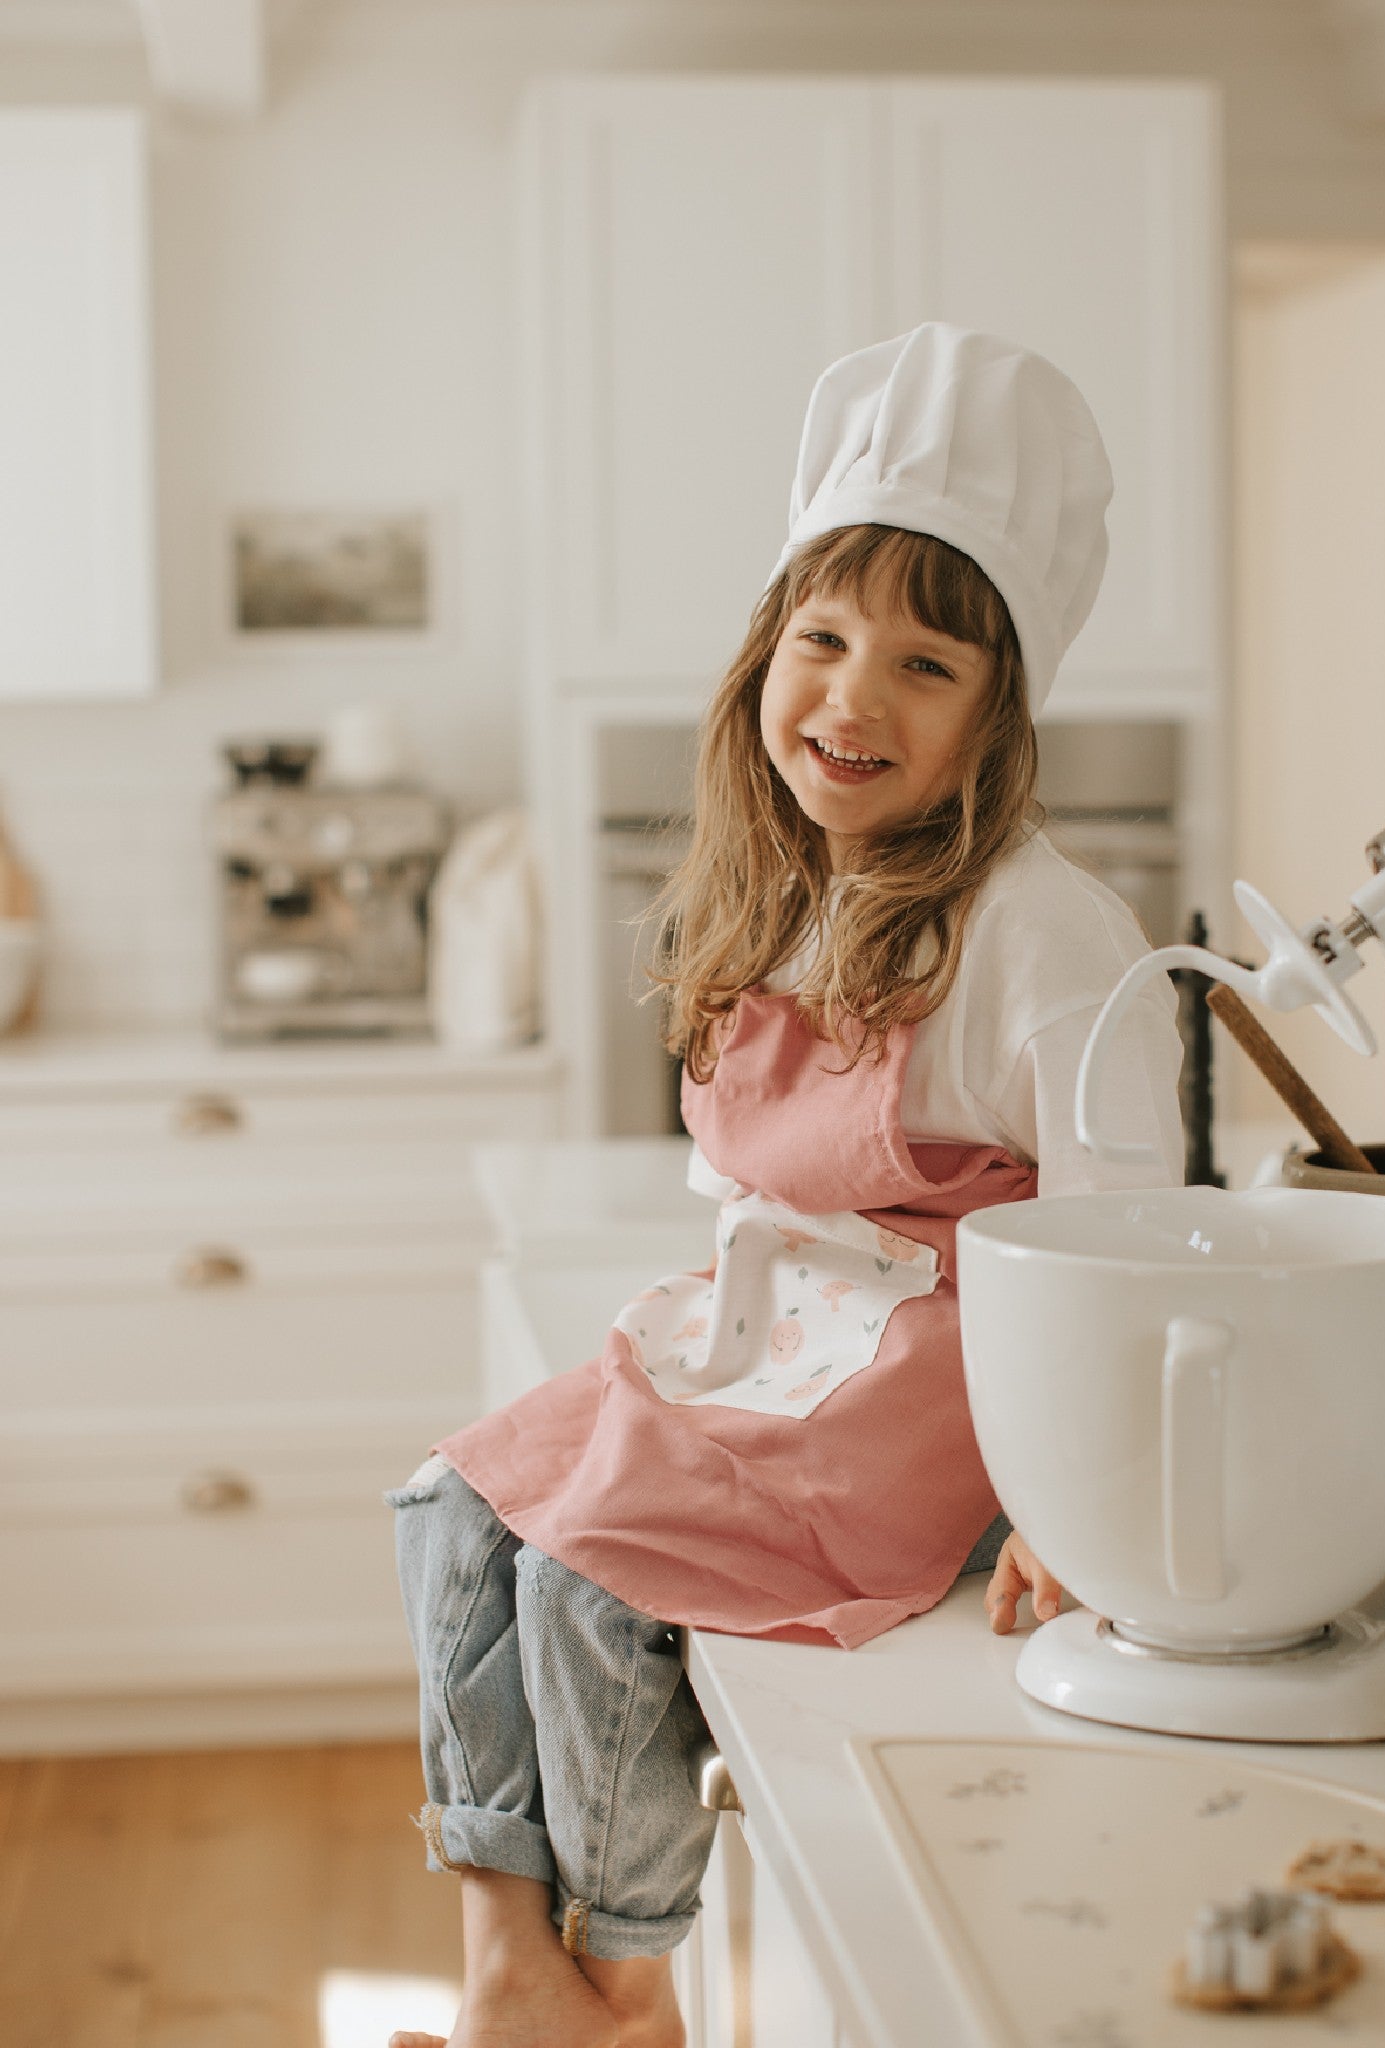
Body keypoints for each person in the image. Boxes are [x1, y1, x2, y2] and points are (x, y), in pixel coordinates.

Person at [387, 323, 1184, 2048]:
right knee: (454, 1514)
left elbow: (1134, 1244)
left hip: (938, 1387)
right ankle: (509, 1967)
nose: (852, 697)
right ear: (765, 656)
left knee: (597, 1576)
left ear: (996, 718)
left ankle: (628, 1980)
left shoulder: (1050, 928)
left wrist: (1071, 1500)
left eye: (923, 664)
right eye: (822, 640)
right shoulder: (782, 885)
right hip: (788, 1338)